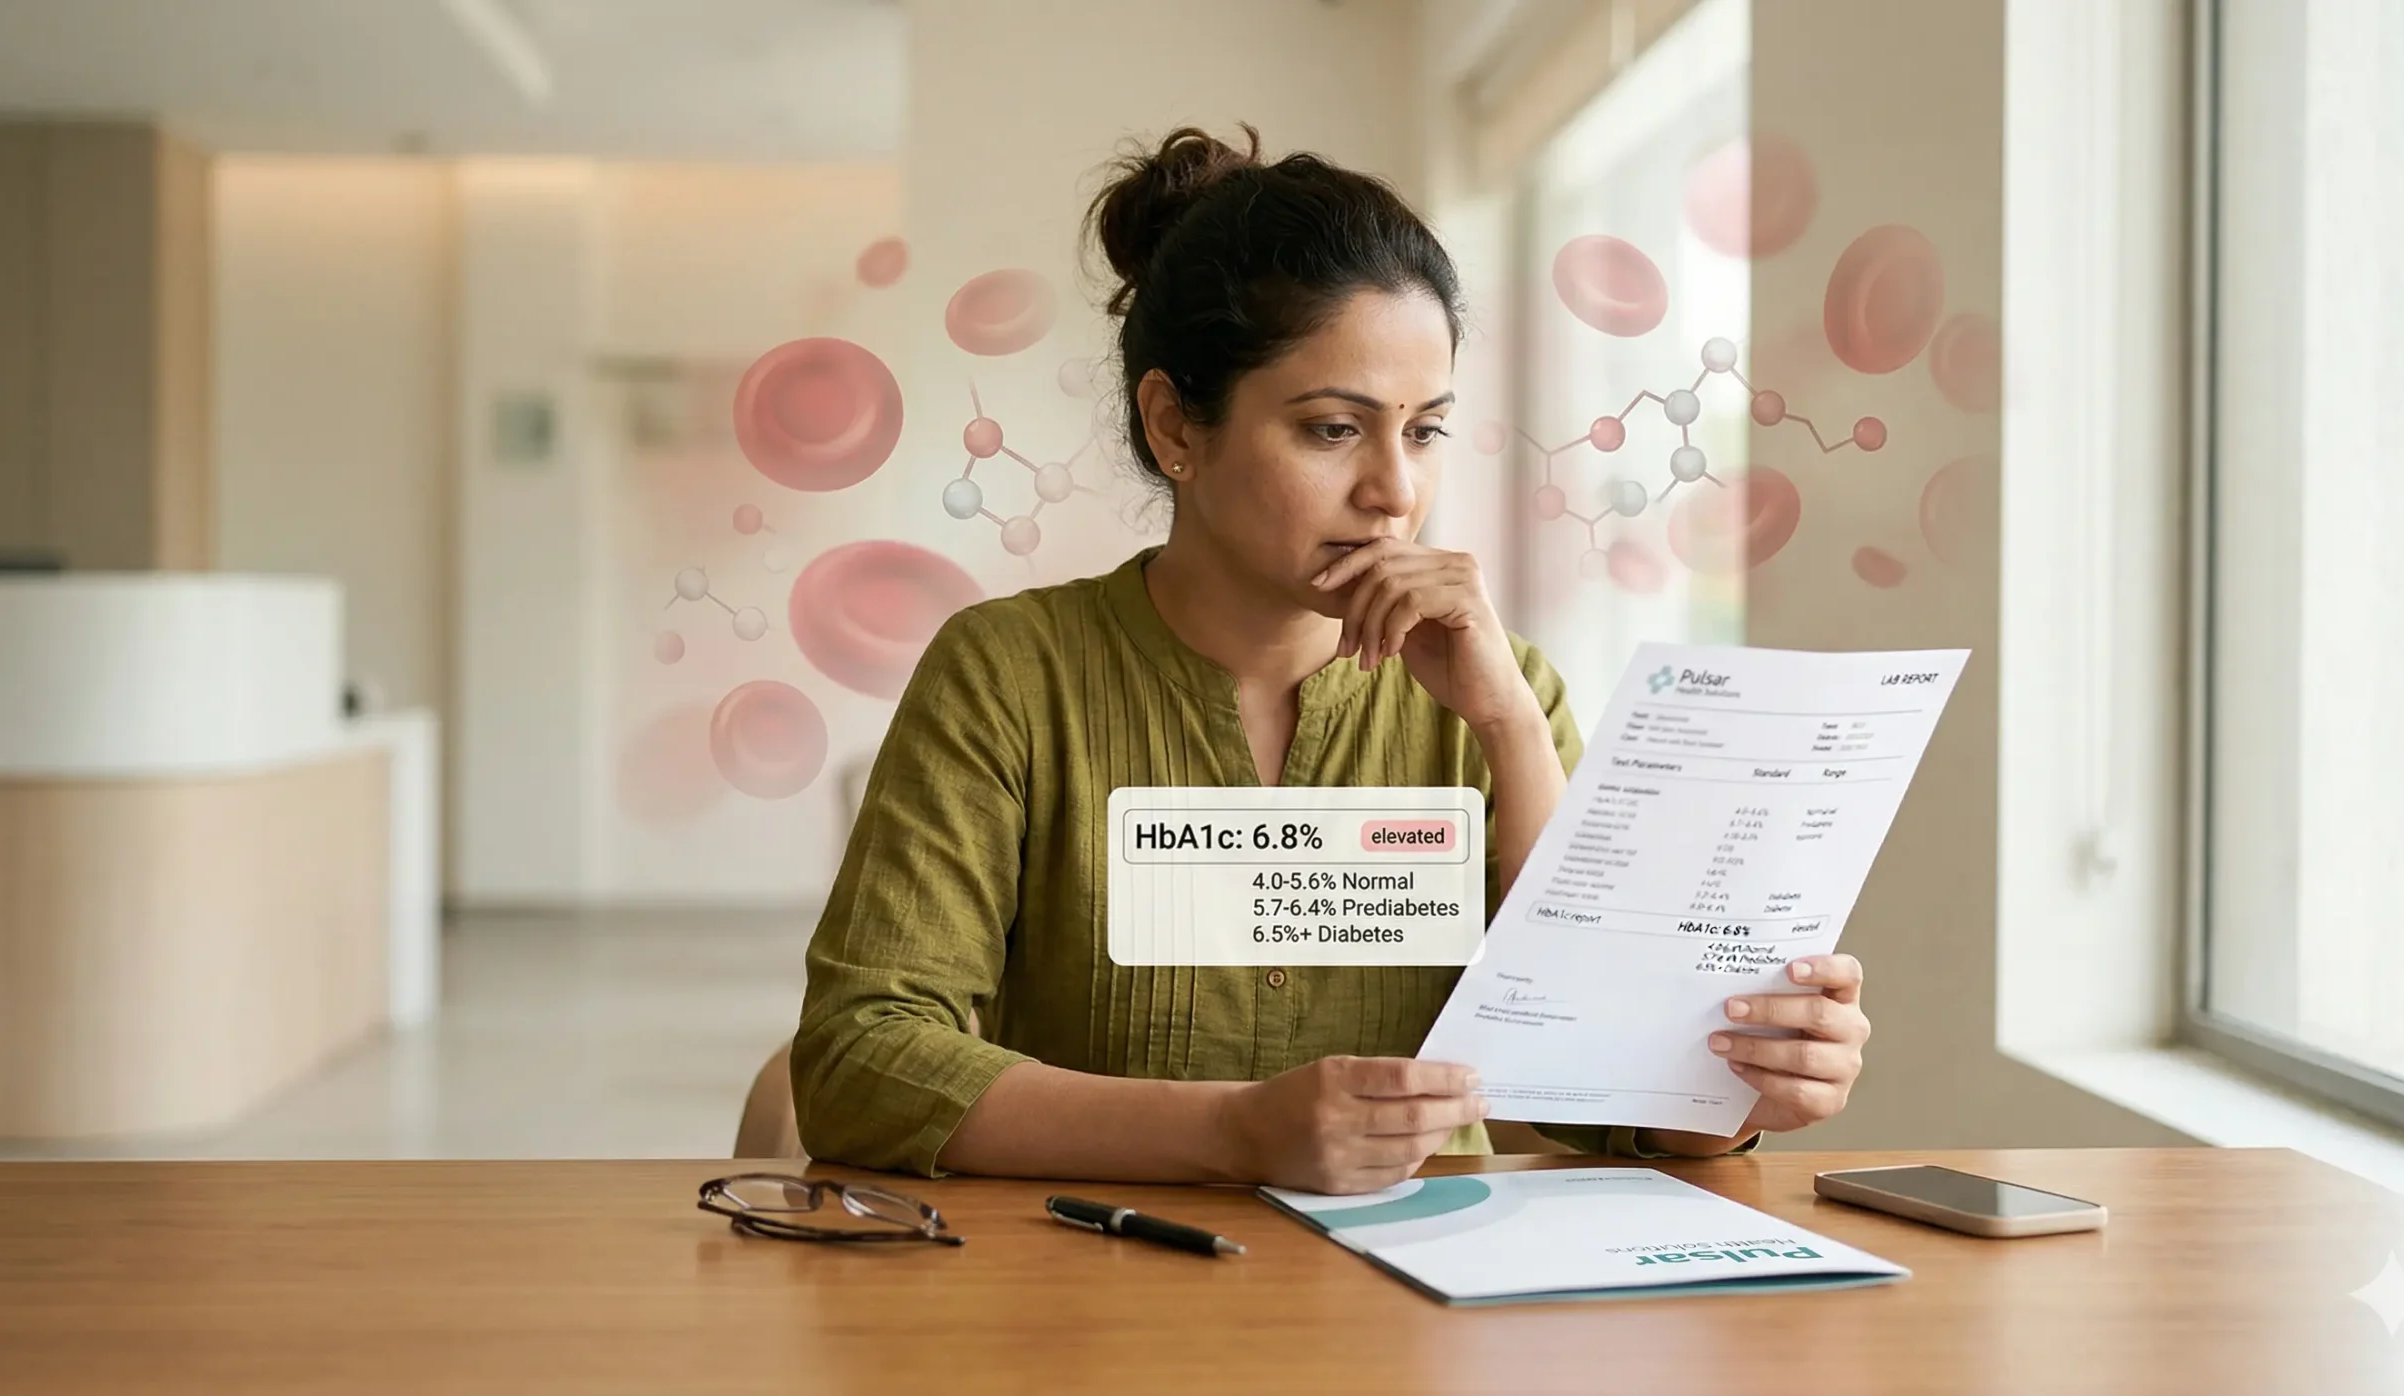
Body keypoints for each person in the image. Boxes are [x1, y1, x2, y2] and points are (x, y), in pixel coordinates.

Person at [791, 126, 1871, 1195]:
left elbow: (1589, 1097)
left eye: (1426, 429)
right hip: (1104, 1305)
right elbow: (860, 1058)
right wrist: (1233, 1132)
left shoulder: (1506, 692)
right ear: (1174, 426)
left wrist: (1725, 1092)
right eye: (1330, 430)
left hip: (1429, 1323)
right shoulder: (1009, 677)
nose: (1396, 491)